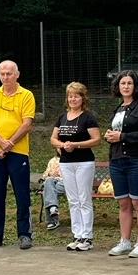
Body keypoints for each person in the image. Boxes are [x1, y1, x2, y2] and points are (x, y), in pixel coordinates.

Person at [0, 60, 35, 250]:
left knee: (22, 194)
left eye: (9, 73)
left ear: (17, 74)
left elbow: (27, 124)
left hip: (18, 151)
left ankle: (25, 234)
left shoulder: (26, 95)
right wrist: (0, 141)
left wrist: (9, 144)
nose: (5, 77)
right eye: (2, 73)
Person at [105, 70, 138, 258]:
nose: (126, 86)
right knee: (123, 203)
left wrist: (122, 136)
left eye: (129, 83)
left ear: (135, 86)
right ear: (118, 87)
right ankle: (125, 241)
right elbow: (115, 132)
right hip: (117, 160)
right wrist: (110, 136)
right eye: (122, 83)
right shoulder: (118, 109)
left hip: (136, 160)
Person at [50, 82, 101, 251]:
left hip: (84, 162)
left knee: (84, 198)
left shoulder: (88, 117)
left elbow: (96, 139)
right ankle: (77, 235)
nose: (73, 99)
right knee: (72, 200)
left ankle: (87, 237)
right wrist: (62, 145)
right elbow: (53, 139)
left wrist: (76, 145)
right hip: (66, 162)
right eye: (70, 96)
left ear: (82, 98)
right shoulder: (62, 117)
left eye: (76, 96)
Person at [41, 149, 65, 230]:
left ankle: (52, 221)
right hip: (52, 182)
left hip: (65, 184)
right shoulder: (53, 160)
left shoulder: (71, 160)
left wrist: (59, 174)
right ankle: (53, 208)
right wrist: (49, 174)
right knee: (48, 181)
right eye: (59, 147)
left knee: (48, 191)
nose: (61, 149)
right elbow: (45, 175)